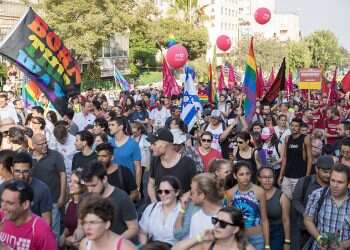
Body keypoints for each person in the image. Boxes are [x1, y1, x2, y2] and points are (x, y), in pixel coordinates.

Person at [81, 161, 139, 240]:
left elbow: (133, 228)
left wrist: (115, 243)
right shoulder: (86, 198)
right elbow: (80, 226)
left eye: (93, 185)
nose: (90, 190)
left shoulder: (122, 198)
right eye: (87, 186)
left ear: (104, 179)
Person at [0, 180, 57, 249]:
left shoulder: (40, 230)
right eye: (2, 201)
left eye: (10, 203)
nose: (3, 207)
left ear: (25, 204)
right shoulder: (3, 216)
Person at [291, 155, 333, 250]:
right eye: (325, 172)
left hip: (324, 231)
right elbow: (295, 200)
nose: (328, 175)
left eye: (330, 172)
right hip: (305, 231)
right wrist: (306, 213)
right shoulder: (305, 181)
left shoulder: (334, 184)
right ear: (316, 169)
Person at [304, 164, 350, 250]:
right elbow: (308, 220)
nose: (335, 185)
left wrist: (345, 244)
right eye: (333, 180)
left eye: (340, 182)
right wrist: (319, 238)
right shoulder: (317, 195)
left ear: (348, 183)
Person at [226, 161, 270, 250]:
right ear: (235, 176)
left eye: (247, 173)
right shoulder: (229, 194)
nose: (245, 177)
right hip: (238, 238)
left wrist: (267, 245)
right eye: (241, 174)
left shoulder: (259, 192)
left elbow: (264, 219)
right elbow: (227, 219)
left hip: (257, 238)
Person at [31, 133, 66, 239]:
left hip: (53, 200)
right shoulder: (29, 158)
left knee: (53, 231)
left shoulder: (55, 156)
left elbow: (62, 175)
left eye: (45, 142)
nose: (45, 145)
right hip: (34, 202)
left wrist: (62, 196)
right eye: (41, 144)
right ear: (33, 145)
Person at [147, 128, 197, 203]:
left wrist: (185, 200)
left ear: (166, 144)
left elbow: (196, 187)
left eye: (154, 144)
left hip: (182, 209)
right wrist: (154, 202)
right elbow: (151, 183)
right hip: (161, 208)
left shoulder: (188, 163)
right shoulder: (155, 160)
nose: (151, 147)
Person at [172, 207, 254, 250]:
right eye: (215, 220)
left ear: (235, 229)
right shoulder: (208, 244)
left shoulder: (247, 249)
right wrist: (199, 237)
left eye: (223, 223)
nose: (216, 225)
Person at [9, 152, 53, 226]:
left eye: (25, 171)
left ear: (31, 170)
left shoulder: (42, 189)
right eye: (17, 171)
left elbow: (47, 222)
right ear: (11, 169)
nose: (21, 176)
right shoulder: (4, 188)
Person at [139, 176, 181, 247]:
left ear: (176, 192)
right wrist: (145, 246)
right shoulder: (151, 208)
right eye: (160, 191)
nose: (163, 194)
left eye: (167, 191)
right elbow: (142, 232)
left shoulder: (183, 211)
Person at [278, 118, 312, 199]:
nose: (294, 128)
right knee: (285, 200)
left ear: (300, 128)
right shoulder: (287, 138)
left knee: (296, 201)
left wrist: (307, 177)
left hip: (299, 177)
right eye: (292, 125)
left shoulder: (306, 138)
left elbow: (310, 159)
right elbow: (285, 158)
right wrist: (281, 175)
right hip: (287, 175)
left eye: (296, 126)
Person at [258, 167, 291, 250]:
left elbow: (286, 220)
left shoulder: (282, 196)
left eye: (270, 177)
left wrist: (287, 241)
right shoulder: (254, 193)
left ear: (274, 178)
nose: (267, 180)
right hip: (258, 232)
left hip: (276, 232)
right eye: (264, 177)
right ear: (259, 178)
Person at [108, 116, 142, 193]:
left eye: (112, 125)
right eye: (109, 125)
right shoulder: (109, 143)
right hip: (112, 184)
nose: (110, 127)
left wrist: (137, 188)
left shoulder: (133, 144)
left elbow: (138, 168)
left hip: (128, 184)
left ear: (121, 127)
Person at [60, 168, 86, 249]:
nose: (71, 184)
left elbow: (81, 229)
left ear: (83, 185)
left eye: (75, 182)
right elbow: (69, 226)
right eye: (70, 181)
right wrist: (64, 235)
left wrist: (68, 240)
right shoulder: (69, 203)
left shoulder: (85, 204)